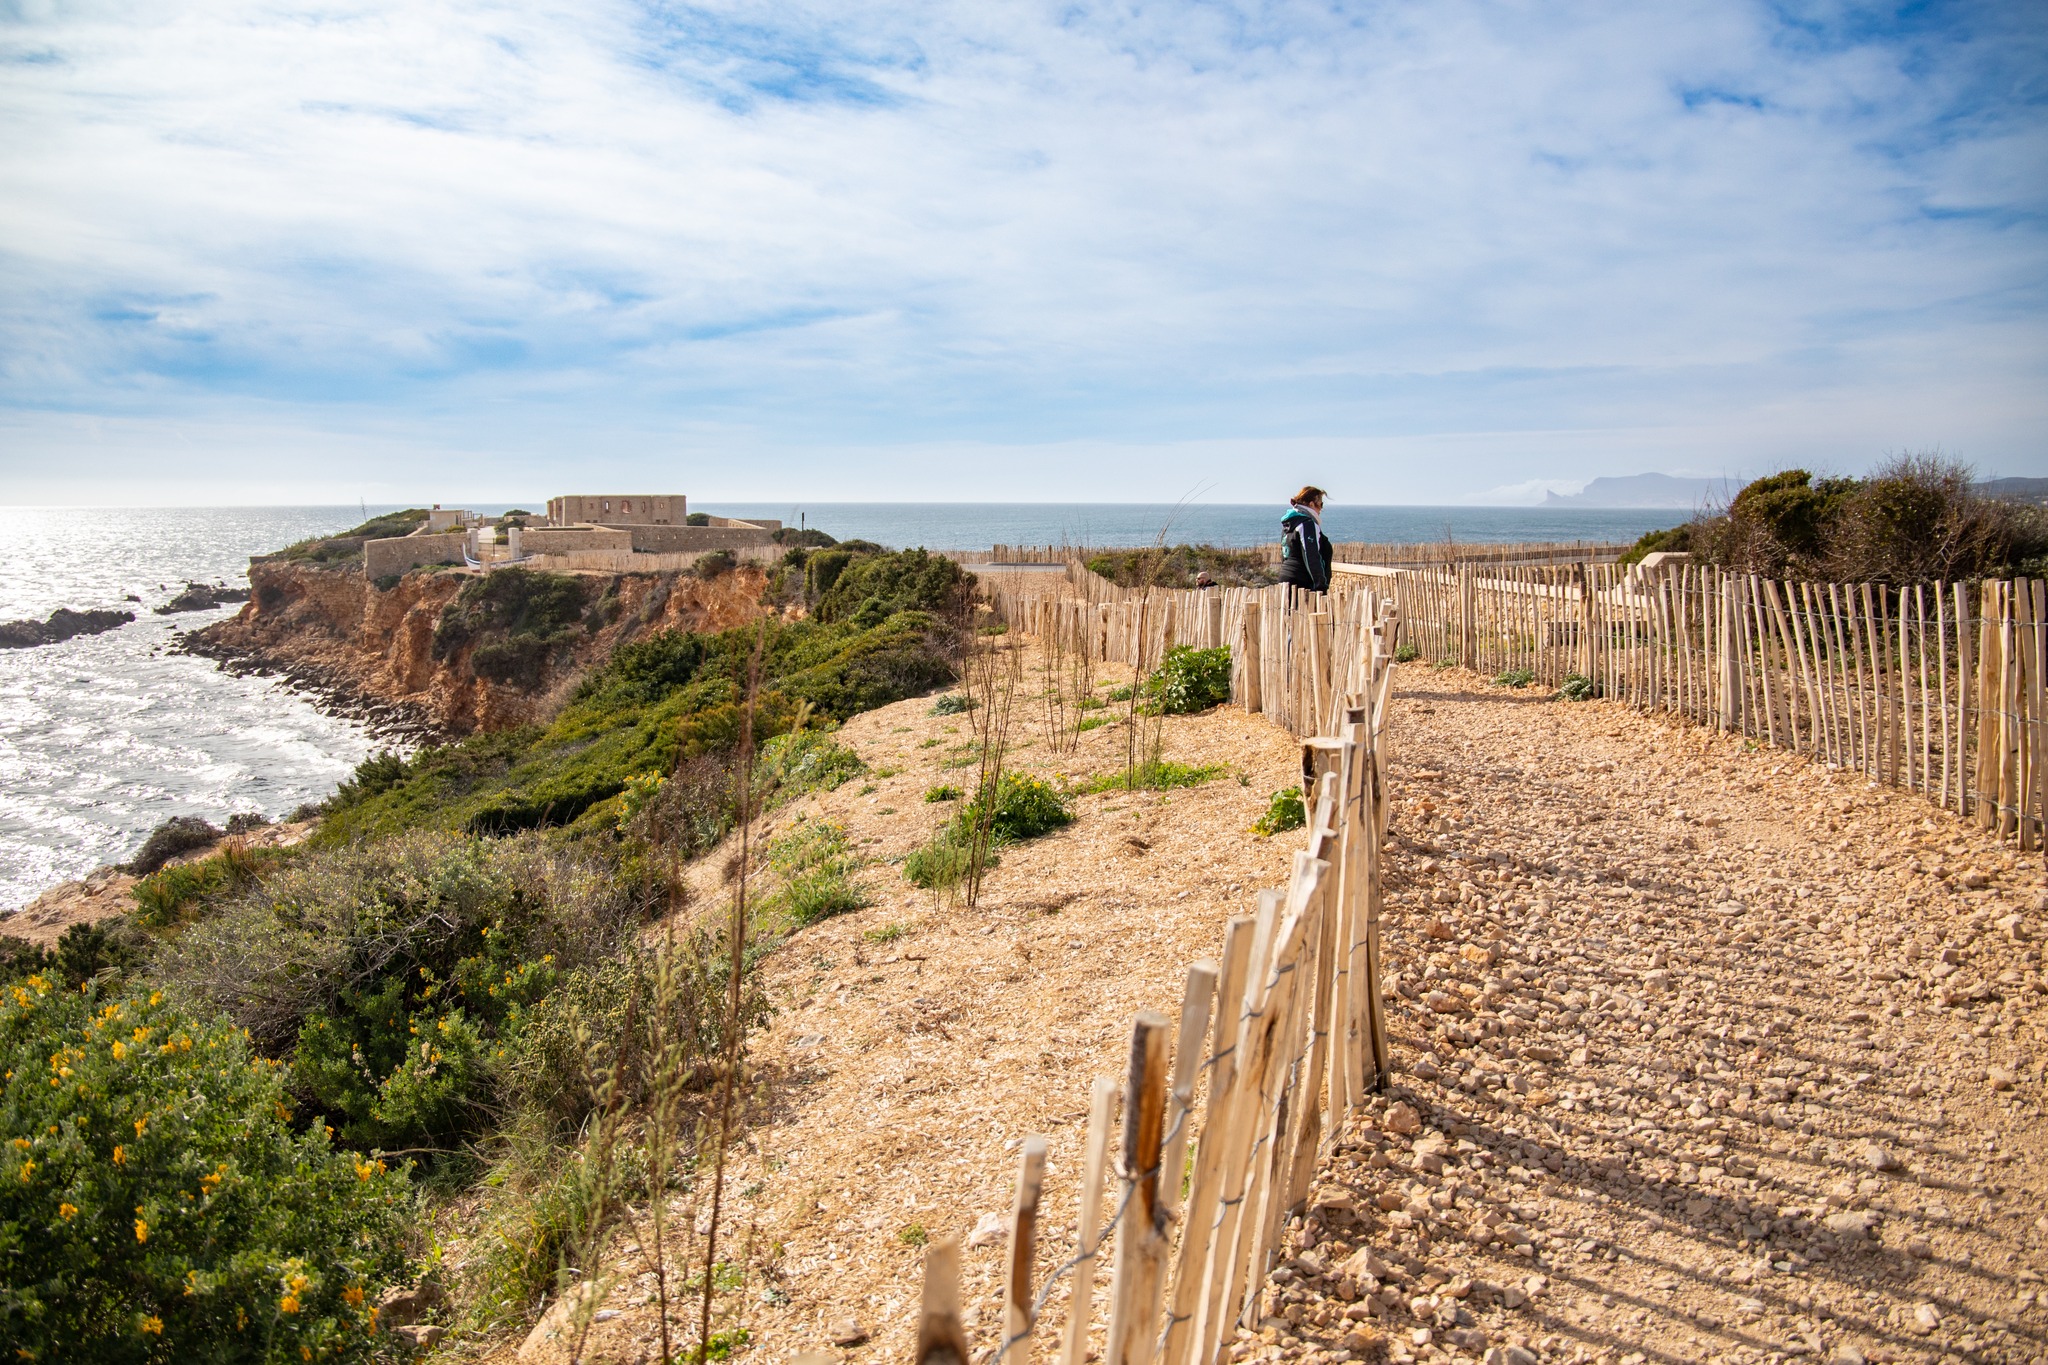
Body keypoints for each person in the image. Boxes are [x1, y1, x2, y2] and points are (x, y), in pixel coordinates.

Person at [1277, 485, 1332, 592]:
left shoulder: (1290, 523)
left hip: (1285, 580)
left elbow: (1285, 555)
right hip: (1301, 584)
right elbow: (1311, 556)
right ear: (1311, 504)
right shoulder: (1307, 524)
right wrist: (1320, 586)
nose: (1321, 509)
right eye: (1321, 504)